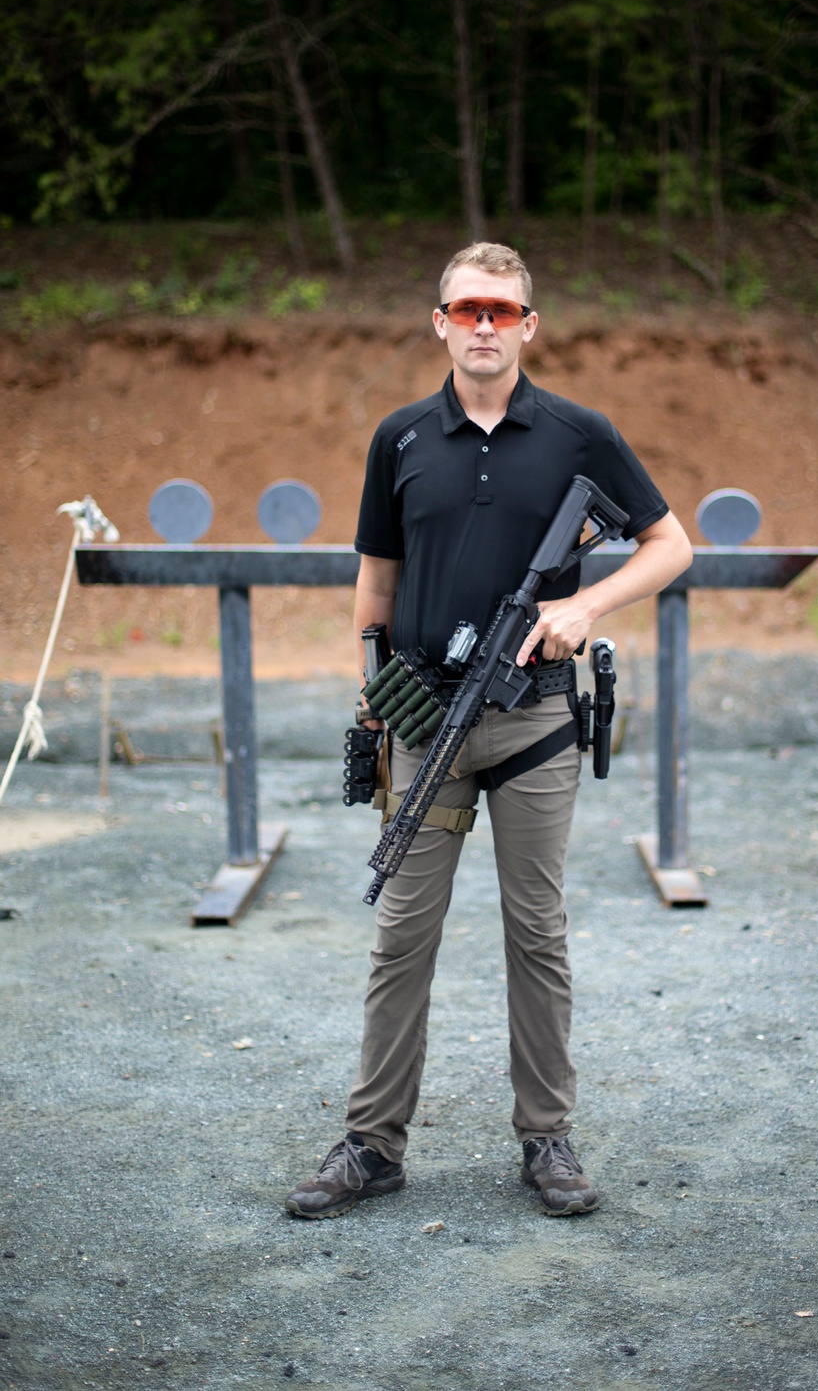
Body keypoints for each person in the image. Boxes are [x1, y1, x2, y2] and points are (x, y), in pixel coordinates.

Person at [286, 241, 692, 1220]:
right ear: (438, 321)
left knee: (536, 933)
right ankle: (372, 1144)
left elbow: (670, 545)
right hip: (427, 717)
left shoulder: (577, 434)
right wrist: (372, 694)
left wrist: (587, 605)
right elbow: (375, 578)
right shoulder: (400, 438)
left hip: (536, 722)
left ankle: (546, 1138)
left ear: (527, 326)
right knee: (400, 935)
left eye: (501, 311)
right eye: (466, 308)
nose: (482, 325)